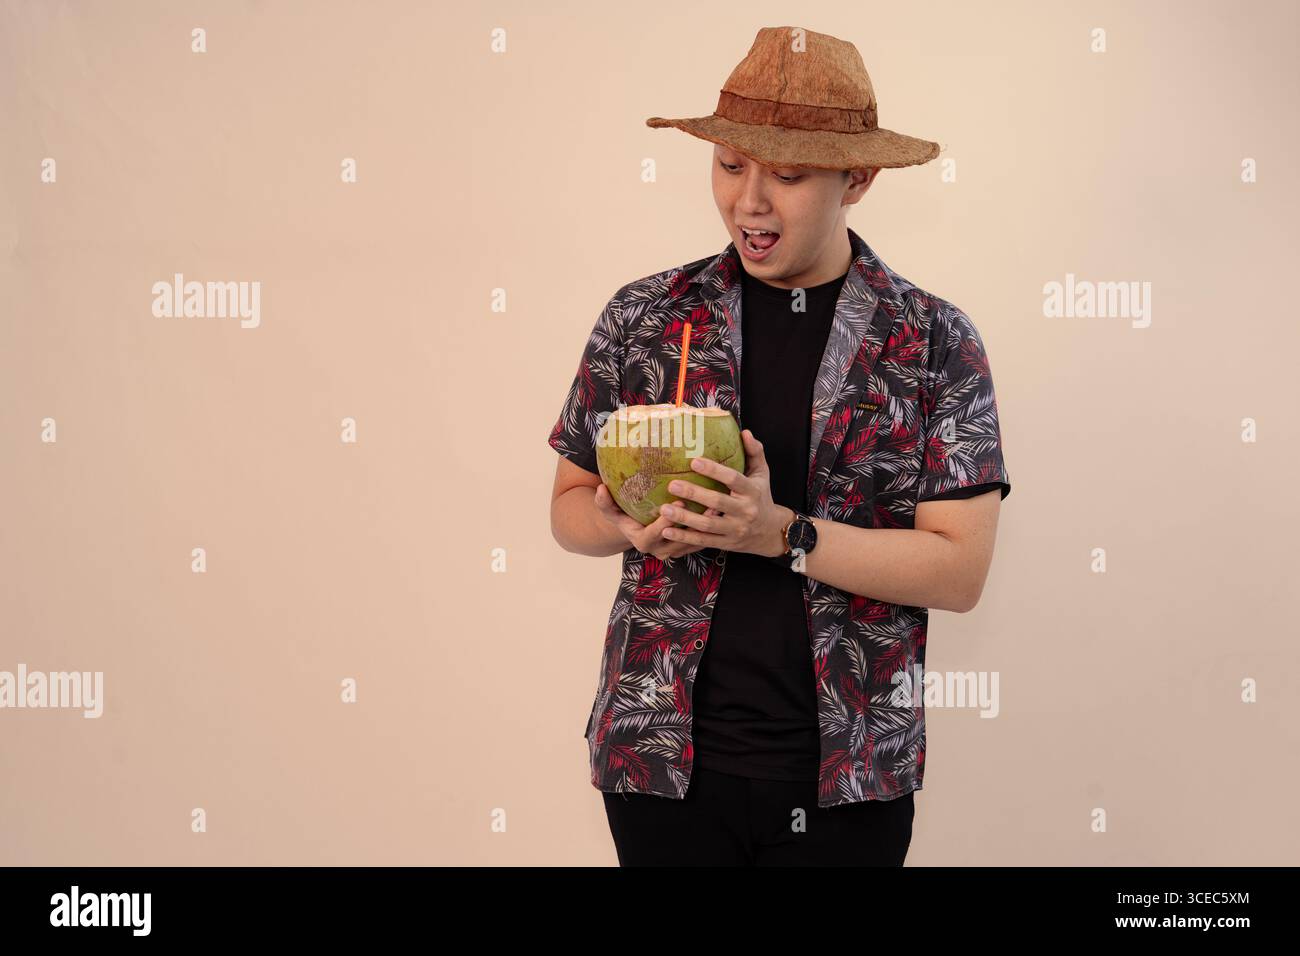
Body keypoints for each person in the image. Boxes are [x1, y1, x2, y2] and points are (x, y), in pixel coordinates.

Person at [548, 26, 1011, 866]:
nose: (749, 201)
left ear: (858, 179)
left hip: (848, 775)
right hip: (658, 764)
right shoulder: (645, 319)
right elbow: (569, 508)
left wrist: (782, 534)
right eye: (730, 166)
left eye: (788, 176)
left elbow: (960, 571)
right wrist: (623, 523)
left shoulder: (935, 342)